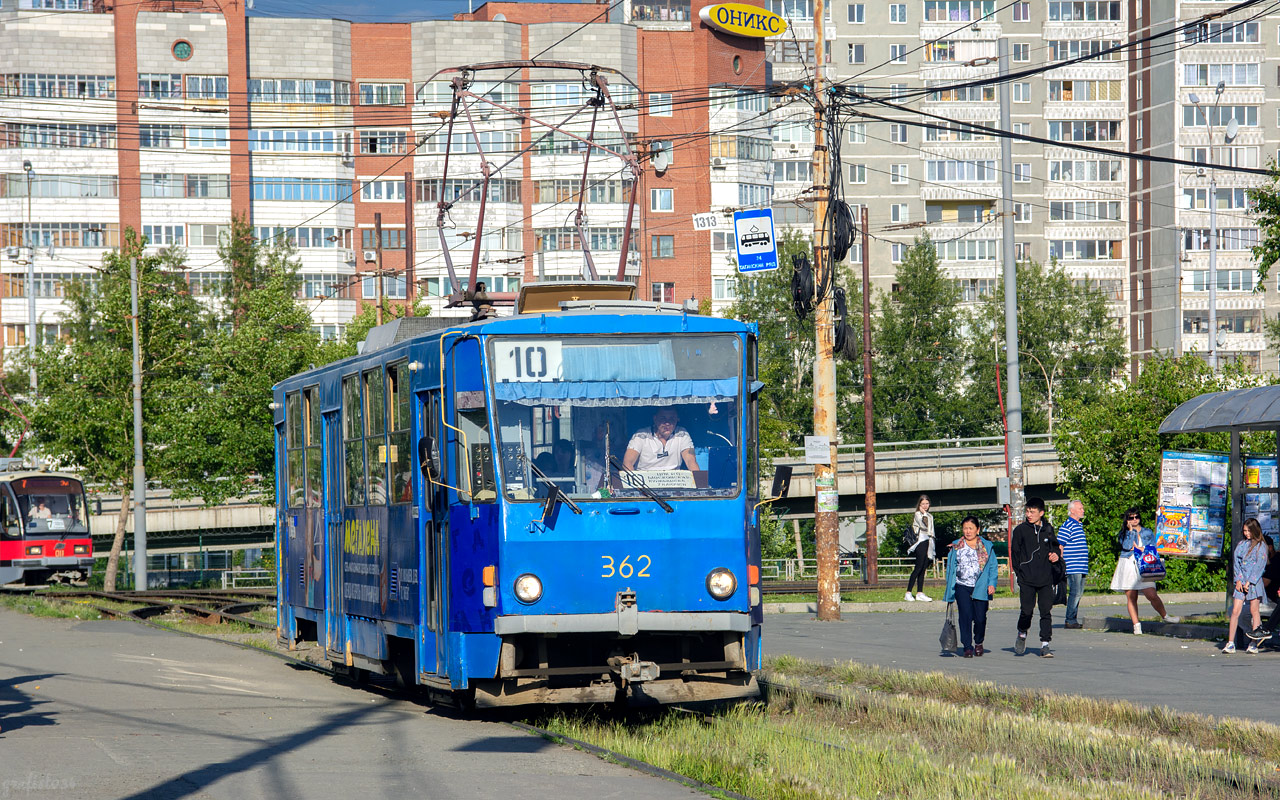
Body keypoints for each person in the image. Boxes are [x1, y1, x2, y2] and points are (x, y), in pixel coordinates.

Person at [1109, 506, 1179, 635]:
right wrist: (1130, 531)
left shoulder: (1147, 532)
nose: (1135, 519)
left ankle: (1165, 616)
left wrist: (1143, 549)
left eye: (1137, 517)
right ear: (1127, 519)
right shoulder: (1124, 533)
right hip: (1129, 564)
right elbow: (1127, 546)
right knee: (1131, 596)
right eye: (1131, 517)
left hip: (1145, 563)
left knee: (1151, 594)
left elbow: (1154, 546)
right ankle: (1136, 625)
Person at [1011, 496, 1060, 658]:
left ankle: (1045, 644)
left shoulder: (1048, 529)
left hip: (1046, 578)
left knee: (1046, 611)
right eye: (1027, 511)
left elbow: (1056, 548)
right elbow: (1015, 555)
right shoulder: (1020, 530)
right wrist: (1019, 573)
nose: (1029, 514)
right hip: (1027, 578)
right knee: (1026, 611)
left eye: (1032, 512)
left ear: (1041, 513)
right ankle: (1022, 633)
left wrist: (1056, 555)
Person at [943, 515, 998, 658]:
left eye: (971, 528)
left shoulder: (987, 546)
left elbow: (992, 566)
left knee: (980, 618)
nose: (967, 531)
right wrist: (950, 588)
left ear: (977, 530)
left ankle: (978, 642)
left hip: (980, 586)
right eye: (965, 528)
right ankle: (967, 646)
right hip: (962, 586)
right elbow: (951, 569)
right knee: (965, 616)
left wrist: (992, 583)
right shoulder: (956, 546)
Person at [1224, 518, 1269, 654]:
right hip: (1241, 581)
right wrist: (1238, 580)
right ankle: (1230, 642)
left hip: (1254, 583)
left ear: (1255, 530)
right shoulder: (1242, 544)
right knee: (1235, 611)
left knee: (1254, 611)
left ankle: (1253, 643)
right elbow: (1236, 563)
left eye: (1249, 531)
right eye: (1245, 531)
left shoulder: (1261, 546)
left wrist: (1250, 581)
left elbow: (1260, 566)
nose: (1246, 533)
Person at [623, 409, 698, 471]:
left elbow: (691, 461)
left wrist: (699, 484)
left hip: (673, 480)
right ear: (655, 419)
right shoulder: (641, 435)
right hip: (644, 481)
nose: (667, 423)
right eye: (663, 419)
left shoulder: (682, 433)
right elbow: (628, 463)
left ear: (677, 419)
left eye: (672, 419)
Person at [1058, 499, 1089, 629]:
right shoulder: (1067, 525)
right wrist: (1060, 564)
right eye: (1080, 508)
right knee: (1075, 592)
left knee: (1079, 593)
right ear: (1072, 510)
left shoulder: (1078, 525)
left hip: (1081, 565)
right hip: (1072, 565)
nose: (1083, 510)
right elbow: (1060, 545)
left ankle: (1073, 618)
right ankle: (1070, 619)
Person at [1246, 536, 1279, 646]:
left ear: (1269, 548)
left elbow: (1265, 582)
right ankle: (1263, 631)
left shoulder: (1275, 561)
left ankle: (1266, 629)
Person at [905, 495, 935, 602]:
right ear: (919, 504)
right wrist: (923, 514)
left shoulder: (930, 516)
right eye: (923, 504)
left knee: (923, 568)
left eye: (927, 504)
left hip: (928, 542)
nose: (925, 506)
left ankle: (919, 592)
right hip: (920, 542)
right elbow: (923, 526)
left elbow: (931, 532)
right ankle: (908, 592)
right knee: (918, 567)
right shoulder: (918, 514)